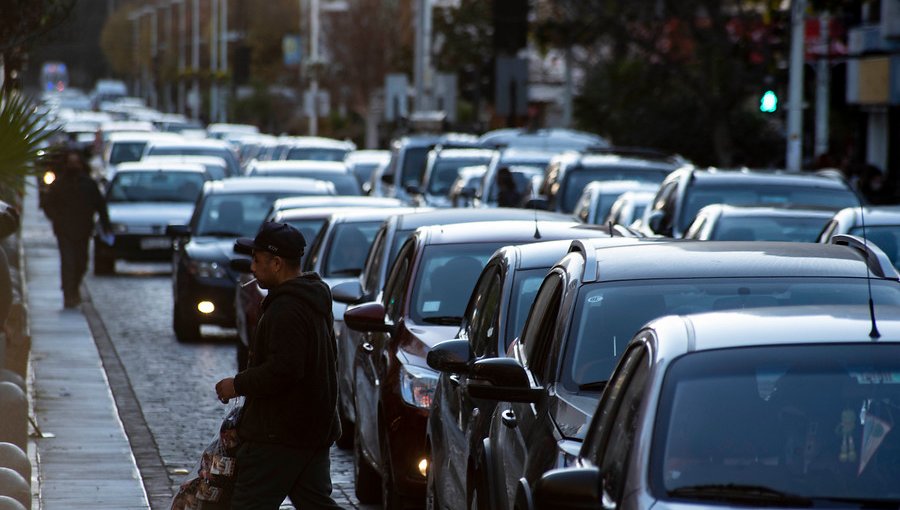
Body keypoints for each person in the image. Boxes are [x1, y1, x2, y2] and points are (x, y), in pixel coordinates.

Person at [215, 221, 342, 510]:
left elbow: (284, 370)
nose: (252, 268)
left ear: (276, 263)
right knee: (315, 503)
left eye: (257, 261)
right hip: (311, 429)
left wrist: (236, 384)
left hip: (280, 432)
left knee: (249, 504)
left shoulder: (288, 309)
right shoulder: (310, 298)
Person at [42, 149, 111, 308]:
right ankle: (69, 294)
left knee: (81, 262)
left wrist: (106, 225)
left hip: (83, 230)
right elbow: (47, 204)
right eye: (70, 163)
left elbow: (100, 205)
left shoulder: (88, 184)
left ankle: (74, 288)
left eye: (76, 162)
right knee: (68, 263)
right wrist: (57, 219)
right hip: (64, 230)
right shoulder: (59, 184)